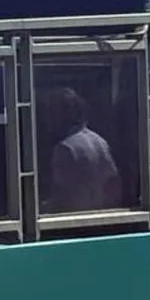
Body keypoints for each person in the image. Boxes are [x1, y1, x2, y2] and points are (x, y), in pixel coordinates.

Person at [41, 87, 121, 215]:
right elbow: (113, 184)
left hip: (75, 222)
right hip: (103, 217)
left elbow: (61, 195)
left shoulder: (64, 149)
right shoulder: (100, 141)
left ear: (63, 114)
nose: (47, 119)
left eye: (51, 112)